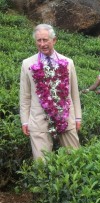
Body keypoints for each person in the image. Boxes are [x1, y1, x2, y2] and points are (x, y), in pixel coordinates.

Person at [19, 24, 82, 160]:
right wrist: (24, 121)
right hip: (39, 121)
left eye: (45, 40)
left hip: (66, 118)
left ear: (54, 40)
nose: (42, 44)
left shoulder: (68, 62)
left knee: (74, 159)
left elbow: (74, 93)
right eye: (39, 40)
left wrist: (77, 117)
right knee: (42, 165)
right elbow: (25, 96)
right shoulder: (27, 64)